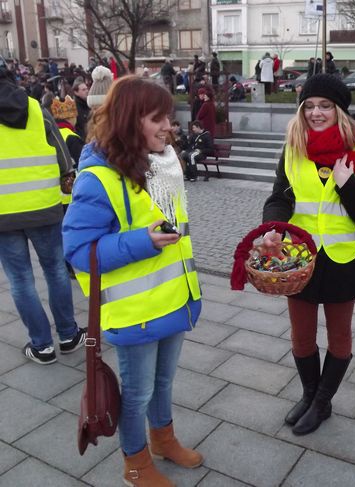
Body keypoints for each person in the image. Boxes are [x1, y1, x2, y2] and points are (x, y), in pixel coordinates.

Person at [62, 76, 203, 486]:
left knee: (163, 383)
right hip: (135, 312)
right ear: (128, 120)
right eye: (157, 119)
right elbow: (77, 252)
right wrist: (141, 242)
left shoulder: (161, 166)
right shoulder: (97, 178)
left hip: (174, 299)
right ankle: (136, 463)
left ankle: (164, 440)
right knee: (137, 394)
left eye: (170, 119)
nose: (168, 128)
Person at [259, 73, 355, 436]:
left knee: (340, 338)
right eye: (309, 106)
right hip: (300, 258)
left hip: (342, 259)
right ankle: (310, 395)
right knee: (301, 337)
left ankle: (323, 401)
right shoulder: (293, 149)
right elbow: (279, 198)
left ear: (339, 111)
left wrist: (348, 185)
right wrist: (272, 227)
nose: (316, 113)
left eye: (325, 106)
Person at [0, 55, 86, 365]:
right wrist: (66, 179)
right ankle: (68, 334)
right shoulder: (35, 107)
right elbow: (62, 153)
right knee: (55, 271)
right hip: (44, 206)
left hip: (3, 215)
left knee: (20, 279)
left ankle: (41, 345)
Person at [51, 95, 84, 165]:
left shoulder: (52, 133)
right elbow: (82, 162)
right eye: (75, 116)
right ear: (70, 118)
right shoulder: (73, 137)